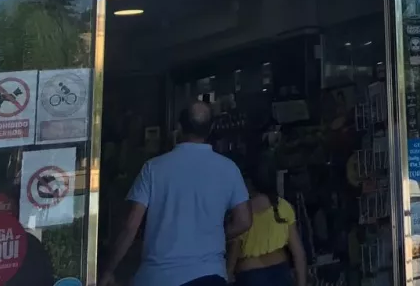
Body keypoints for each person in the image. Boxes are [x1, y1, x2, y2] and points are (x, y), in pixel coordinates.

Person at [99, 101, 252, 286]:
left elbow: (131, 226)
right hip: (210, 276)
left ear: (178, 127)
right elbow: (244, 221)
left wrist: (108, 270)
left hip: (158, 277)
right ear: (211, 128)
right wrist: (216, 234)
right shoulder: (229, 169)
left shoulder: (153, 169)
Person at [227, 158, 307, 286]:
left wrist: (227, 274)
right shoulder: (283, 207)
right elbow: (298, 253)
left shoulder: (242, 211)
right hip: (281, 273)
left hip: (250, 277)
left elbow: (234, 251)